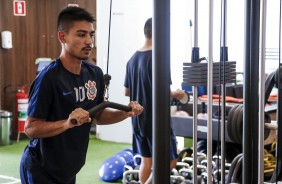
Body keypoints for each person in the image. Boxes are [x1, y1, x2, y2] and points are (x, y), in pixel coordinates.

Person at [19, 6, 143, 184]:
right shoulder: (49, 78)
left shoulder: (95, 74)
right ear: (63, 37)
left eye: (91, 35)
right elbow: (31, 128)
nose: (89, 41)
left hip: (69, 168)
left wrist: (125, 113)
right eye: (81, 34)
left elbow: (98, 116)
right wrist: (67, 123)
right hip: (41, 170)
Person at [124, 18, 185, 184]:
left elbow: (126, 91)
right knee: (170, 160)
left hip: (138, 120)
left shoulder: (132, 59)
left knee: (147, 161)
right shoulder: (159, 58)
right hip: (156, 120)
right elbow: (164, 92)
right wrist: (177, 94)